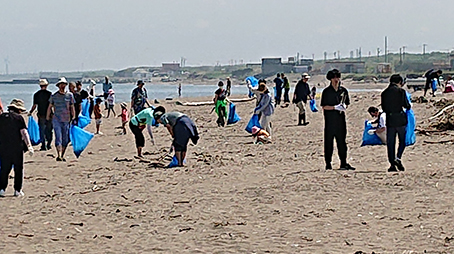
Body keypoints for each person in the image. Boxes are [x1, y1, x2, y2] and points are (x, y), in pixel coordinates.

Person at [321, 69, 355, 170]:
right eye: (334, 78)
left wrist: (343, 106)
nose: (336, 79)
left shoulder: (343, 91)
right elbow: (324, 106)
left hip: (341, 120)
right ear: (330, 79)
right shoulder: (326, 92)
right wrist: (334, 107)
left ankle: (343, 162)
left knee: (342, 142)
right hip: (330, 121)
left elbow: (347, 103)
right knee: (329, 143)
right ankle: (328, 163)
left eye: (338, 77)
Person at [0, 99, 33, 197]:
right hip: (17, 148)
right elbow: (24, 133)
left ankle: (1, 189)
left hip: (3, 147)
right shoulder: (19, 118)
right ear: (18, 109)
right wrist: (29, 146)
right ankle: (17, 190)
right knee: (18, 169)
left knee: (4, 169)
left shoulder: (1, 117)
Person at [381, 74, 411, 172]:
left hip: (390, 119)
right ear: (400, 82)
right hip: (400, 118)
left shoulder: (384, 93)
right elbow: (406, 105)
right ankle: (398, 158)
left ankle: (392, 164)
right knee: (402, 140)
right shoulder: (401, 91)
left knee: (391, 143)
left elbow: (384, 108)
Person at [47, 77, 75, 162]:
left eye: (63, 84)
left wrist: (73, 117)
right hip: (56, 119)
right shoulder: (54, 96)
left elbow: (72, 106)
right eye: (60, 85)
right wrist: (48, 116)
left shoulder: (69, 95)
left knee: (65, 138)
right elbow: (50, 106)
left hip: (66, 119)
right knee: (58, 137)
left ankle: (62, 154)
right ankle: (58, 154)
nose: (62, 86)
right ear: (58, 86)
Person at [29, 79, 53, 151]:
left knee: (42, 130)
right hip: (49, 114)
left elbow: (34, 105)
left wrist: (30, 112)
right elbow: (52, 105)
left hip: (41, 114)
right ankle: (48, 143)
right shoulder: (50, 94)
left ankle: (43, 145)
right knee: (49, 129)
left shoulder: (36, 94)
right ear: (46, 85)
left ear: (40, 86)